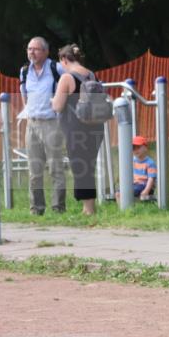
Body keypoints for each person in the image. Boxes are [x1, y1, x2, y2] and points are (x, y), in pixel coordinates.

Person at [51, 44, 106, 215]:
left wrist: (51, 101)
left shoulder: (66, 78)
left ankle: (88, 209)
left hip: (77, 129)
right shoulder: (92, 75)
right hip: (96, 127)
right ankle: (89, 207)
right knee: (88, 166)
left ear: (64, 59)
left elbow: (58, 107)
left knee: (80, 168)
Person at [20, 37, 66, 215]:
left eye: (36, 49)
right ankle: (36, 209)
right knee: (34, 170)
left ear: (46, 52)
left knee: (56, 167)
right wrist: (27, 111)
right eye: (29, 49)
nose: (32, 52)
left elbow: (71, 85)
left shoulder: (56, 68)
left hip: (52, 123)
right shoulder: (24, 71)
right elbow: (23, 93)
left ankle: (58, 208)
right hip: (32, 123)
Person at [131, 135, 157, 201]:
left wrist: (146, 191)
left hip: (145, 186)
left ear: (145, 148)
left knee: (128, 192)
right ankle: (123, 211)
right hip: (135, 185)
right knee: (119, 193)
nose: (136, 150)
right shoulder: (132, 161)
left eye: (138, 147)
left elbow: (151, 179)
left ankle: (130, 207)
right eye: (133, 148)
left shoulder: (150, 163)